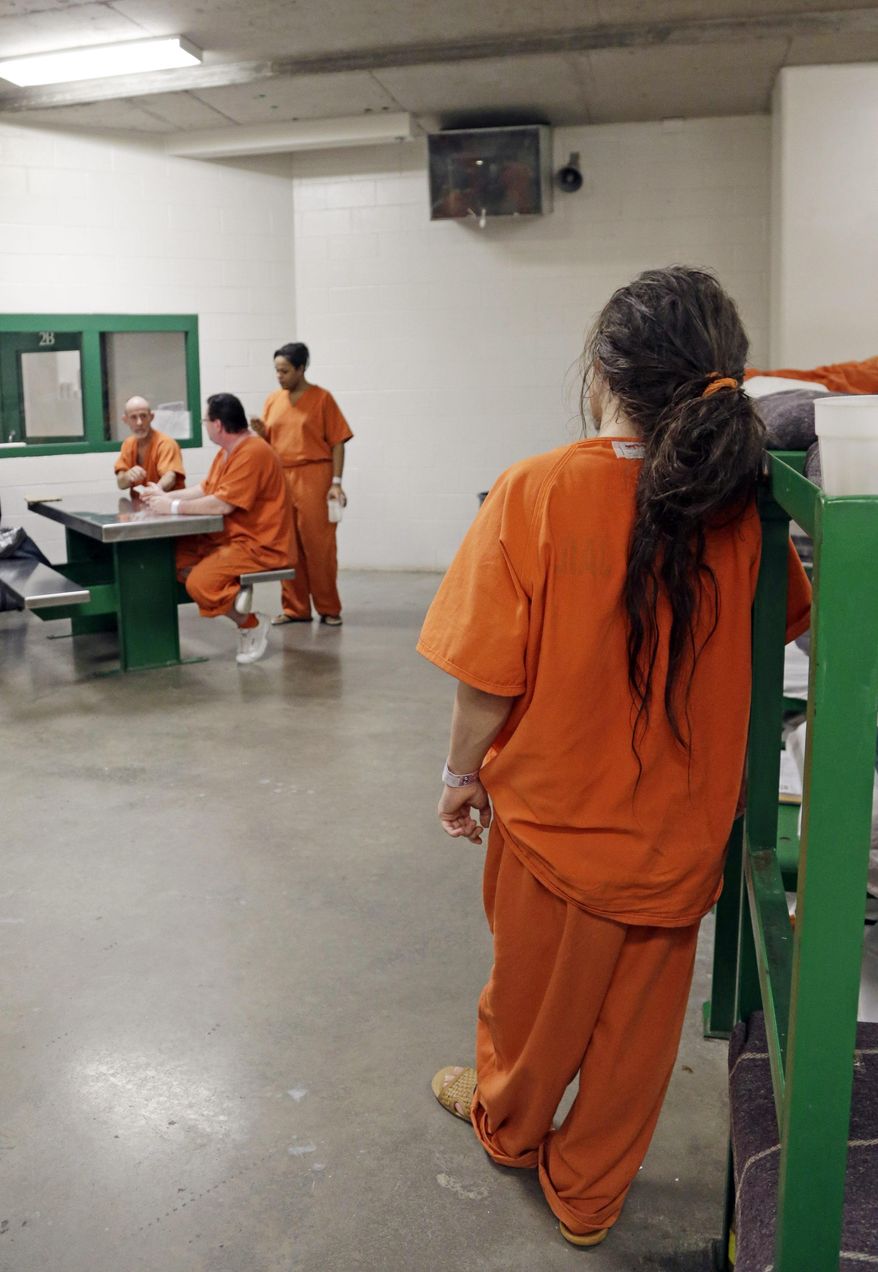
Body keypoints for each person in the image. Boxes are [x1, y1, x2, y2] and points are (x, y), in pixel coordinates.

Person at [416, 267, 812, 1248]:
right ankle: (588, 1197)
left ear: (602, 372)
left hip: (555, 829)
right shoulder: (746, 507)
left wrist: (459, 775)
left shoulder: (536, 490)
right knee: (637, 1035)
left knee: (530, 1004)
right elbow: (783, 632)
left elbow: (484, 683)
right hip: (678, 841)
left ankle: (508, 1127)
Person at [140, 393, 293, 666]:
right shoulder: (227, 452)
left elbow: (222, 505)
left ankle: (251, 623)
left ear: (218, 425)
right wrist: (163, 497)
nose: (206, 425)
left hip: (257, 544)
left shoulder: (254, 452)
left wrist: (172, 508)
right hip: (227, 537)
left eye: (205, 421)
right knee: (173, 558)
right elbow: (205, 489)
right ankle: (232, 592)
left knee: (200, 583)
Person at [250, 343, 352, 627]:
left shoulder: (322, 399)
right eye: (276, 371)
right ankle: (295, 608)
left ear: (301, 368)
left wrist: (336, 482)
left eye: (284, 371)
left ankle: (329, 608)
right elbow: (271, 443)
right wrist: (262, 434)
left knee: (319, 546)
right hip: (282, 477)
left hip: (314, 477)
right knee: (287, 545)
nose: (279, 376)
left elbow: (338, 441)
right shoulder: (273, 400)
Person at [114, 396, 185, 492]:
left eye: (143, 416)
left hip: (167, 503)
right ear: (125, 420)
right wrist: (127, 477)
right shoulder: (128, 444)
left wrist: (155, 491)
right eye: (133, 417)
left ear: (151, 417)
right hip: (142, 503)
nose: (139, 422)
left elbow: (170, 477)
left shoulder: (165, 443)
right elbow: (121, 484)